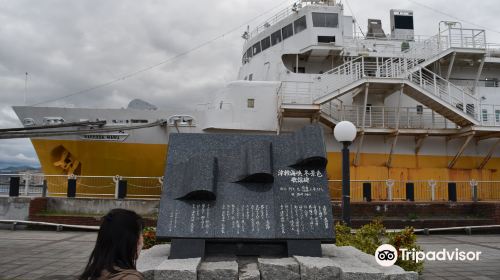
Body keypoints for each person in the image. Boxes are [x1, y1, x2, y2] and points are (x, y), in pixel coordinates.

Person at [80, 208, 145, 280]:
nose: (142, 241)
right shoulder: (130, 278)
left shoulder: (92, 273)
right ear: (133, 241)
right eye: (140, 234)